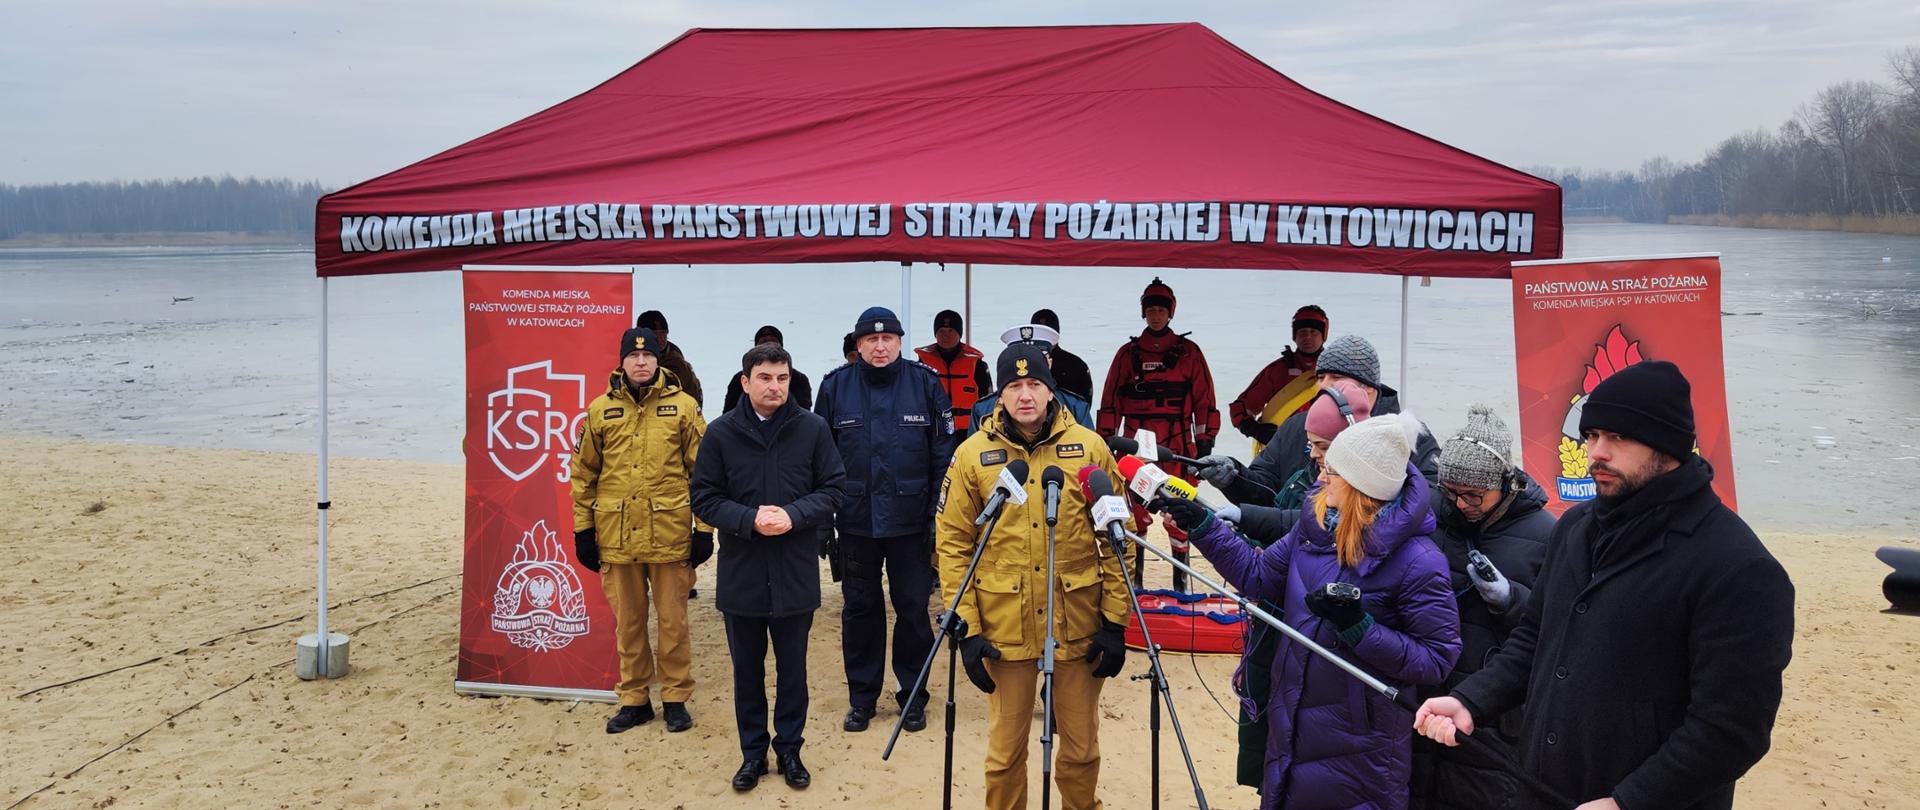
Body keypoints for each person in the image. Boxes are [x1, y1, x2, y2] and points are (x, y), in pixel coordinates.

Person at [1416, 361, 1795, 810]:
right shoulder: (1575, 528)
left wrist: (1627, 801)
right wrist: (1471, 700)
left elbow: (1732, 729)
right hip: (1538, 789)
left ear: (1668, 445)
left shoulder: (1739, 568)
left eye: (1617, 437)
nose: (1596, 452)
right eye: (1592, 435)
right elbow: (1535, 640)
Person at [1159, 414, 1461, 810]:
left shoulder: (1420, 560)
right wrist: (1204, 526)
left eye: (1331, 471)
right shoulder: (1316, 526)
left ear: (1362, 486)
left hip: (1361, 749)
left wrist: (1359, 627)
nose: (1320, 477)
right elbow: (1257, 575)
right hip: (1291, 723)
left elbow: (1437, 659)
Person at [937, 343, 1132, 810]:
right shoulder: (971, 455)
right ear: (999, 394)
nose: (1025, 395)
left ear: (1050, 390)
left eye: (1034, 384)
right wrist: (967, 628)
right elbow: (953, 544)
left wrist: (1115, 621)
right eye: (1014, 386)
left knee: (1081, 750)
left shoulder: (1090, 447)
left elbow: (1116, 540)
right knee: (1005, 756)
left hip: (1077, 623)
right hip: (1005, 628)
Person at [691, 343, 848, 792]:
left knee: (793, 671)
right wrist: (749, 519)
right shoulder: (721, 433)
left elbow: (835, 488)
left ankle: (791, 750)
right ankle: (753, 754)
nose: (774, 386)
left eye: (782, 378)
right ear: (746, 382)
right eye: (764, 378)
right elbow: (703, 497)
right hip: (742, 572)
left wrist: (794, 515)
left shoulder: (812, 429)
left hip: (794, 570)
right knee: (747, 672)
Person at [1216, 378, 1374, 790]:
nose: (1314, 455)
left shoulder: (1376, 506)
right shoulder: (1304, 453)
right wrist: (1221, 502)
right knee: (1273, 752)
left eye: (1322, 447)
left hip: (1331, 672)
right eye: (1312, 446)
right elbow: (1260, 569)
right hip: (1277, 630)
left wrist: (1356, 625)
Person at [814, 306, 958, 733]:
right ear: (858, 345)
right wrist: (822, 520)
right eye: (871, 340)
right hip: (855, 521)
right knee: (860, 610)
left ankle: (912, 695)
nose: (880, 347)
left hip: (910, 523)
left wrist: (936, 517)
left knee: (912, 610)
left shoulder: (925, 384)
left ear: (899, 342)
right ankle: (862, 699)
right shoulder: (835, 387)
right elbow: (818, 459)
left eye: (887, 339)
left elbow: (943, 457)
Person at [1408, 405, 1554, 810]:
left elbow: (1557, 628)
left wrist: (1510, 599)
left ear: (1505, 483)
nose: (1461, 504)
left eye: (1474, 495)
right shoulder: (1430, 517)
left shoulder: (1547, 535)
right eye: (1451, 492)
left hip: (1494, 715)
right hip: (1426, 697)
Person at [571, 325, 709, 735]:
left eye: (648, 355)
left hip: (670, 535)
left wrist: (704, 529)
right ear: (622, 361)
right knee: (628, 625)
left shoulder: (683, 407)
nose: (642, 362)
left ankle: (675, 698)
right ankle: (634, 700)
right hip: (617, 538)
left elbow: (703, 473)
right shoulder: (600, 410)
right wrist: (583, 531)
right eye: (633, 356)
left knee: (673, 623)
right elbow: (584, 475)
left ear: (657, 359)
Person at [1200, 335, 1437, 514]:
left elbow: (1434, 499)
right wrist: (1233, 477)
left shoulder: (1408, 434)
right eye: (1321, 377)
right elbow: (1266, 491)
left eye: (1337, 377)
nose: (1324, 385)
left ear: (1368, 387)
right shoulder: (1296, 427)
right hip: (1291, 550)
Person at [1098, 276, 1219, 584]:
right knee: (1135, 512)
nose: (1155, 315)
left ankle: (1181, 582)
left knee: (1179, 512)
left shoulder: (1190, 353)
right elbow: (1110, 399)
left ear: (1170, 313)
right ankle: (1136, 583)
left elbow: (1204, 399)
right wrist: (1105, 439)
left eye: (1161, 310)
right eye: (1151, 310)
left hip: (1176, 442)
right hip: (1136, 442)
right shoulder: (1127, 354)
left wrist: (1205, 442)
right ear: (1144, 313)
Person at [1228, 305, 1328, 447]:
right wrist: (1254, 429)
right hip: (1285, 447)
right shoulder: (1278, 371)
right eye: (1302, 332)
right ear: (1294, 336)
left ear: (1323, 335)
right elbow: (1241, 407)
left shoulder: (1336, 371)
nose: (1308, 337)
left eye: (1314, 332)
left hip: (1326, 445)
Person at [968, 323, 1094, 428]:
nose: (1029, 363)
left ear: (1049, 363)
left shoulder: (1075, 406)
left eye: (1037, 357)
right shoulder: (983, 409)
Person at [914, 309, 994, 438]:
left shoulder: (977, 365)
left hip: (969, 431)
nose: (945, 336)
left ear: (959, 333)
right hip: (934, 430)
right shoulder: (923, 363)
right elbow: (915, 397)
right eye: (941, 331)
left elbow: (988, 401)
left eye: (951, 331)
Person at [723, 325, 813, 412]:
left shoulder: (799, 379)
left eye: (782, 379)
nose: (769, 346)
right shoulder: (739, 379)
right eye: (764, 342)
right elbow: (728, 412)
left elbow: (804, 413)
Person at [637, 309, 704, 408]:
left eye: (663, 333)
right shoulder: (630, 359)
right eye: (655, 334)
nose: (661, 339)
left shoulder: (676, 363)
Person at [1030, 308, 1094, 401]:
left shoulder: (1077, 365)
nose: (1043, 339)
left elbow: (1084, 405)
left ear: (1057, 335)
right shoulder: (1022, 363)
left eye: (1048, 334)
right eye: (1039, 334)